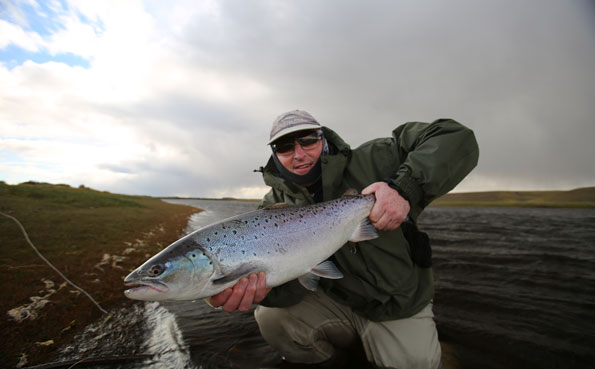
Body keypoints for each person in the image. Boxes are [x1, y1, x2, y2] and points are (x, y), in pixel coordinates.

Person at [208, 110, 479, 369]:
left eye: (308, 140)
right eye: (285, 147)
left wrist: (403, 188)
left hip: (397, 304)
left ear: (323, 138)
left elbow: (454, 136)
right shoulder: (271, 208)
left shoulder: (376, 160)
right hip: (336, 301)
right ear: (275, 155)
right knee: (270, 318)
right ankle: (332, 363)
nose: (299, 154)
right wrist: (266, 289)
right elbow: (293, 286)